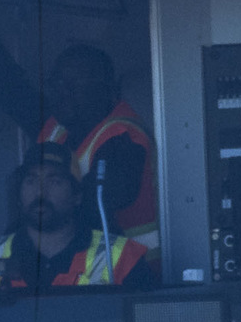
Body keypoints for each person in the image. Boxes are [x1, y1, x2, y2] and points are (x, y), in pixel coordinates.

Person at [0, 142, 159, 292]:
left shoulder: (122, 259)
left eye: (54, 181)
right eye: (31, 180)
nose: (40, 192)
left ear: (77, 196)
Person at [35, 44, 161, 250]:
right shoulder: (55, 129)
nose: (63, 92)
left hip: (132, 273)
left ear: (107, 89)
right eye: (57, 83)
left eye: (74, 84)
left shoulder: (123, 137)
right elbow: (13, 92)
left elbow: (94, 205)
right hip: (79, 272)